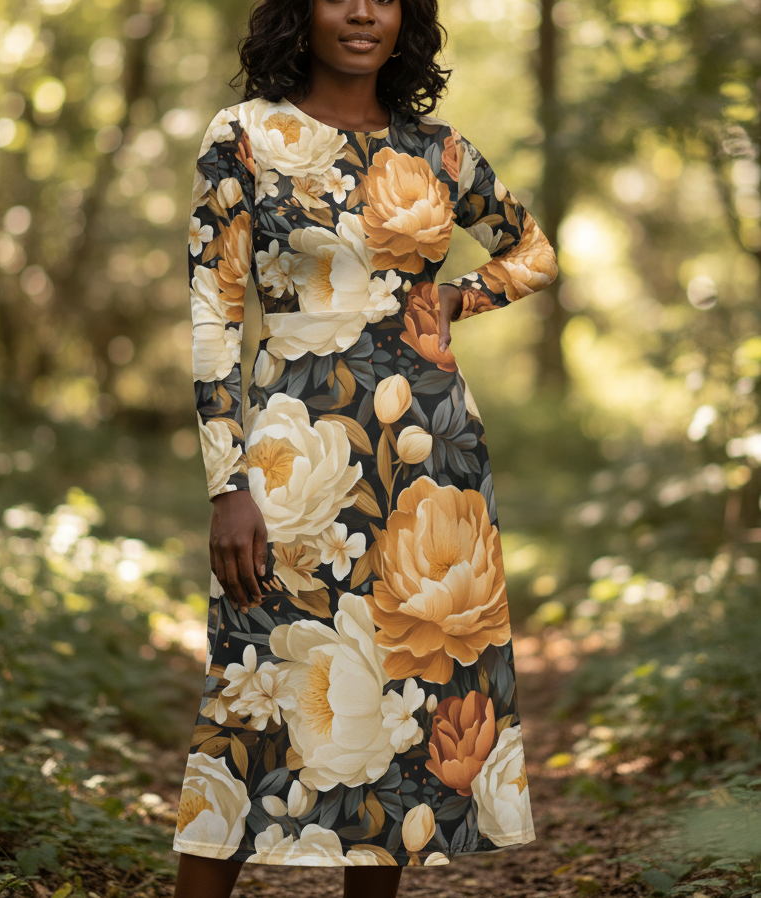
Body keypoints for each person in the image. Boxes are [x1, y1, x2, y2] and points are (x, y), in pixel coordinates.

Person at [173, 0, 558, 895]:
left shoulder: (442, 151)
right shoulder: (245, 135)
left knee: (401, 706)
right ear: (297, 13)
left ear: (404, 18)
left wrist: (456, 297)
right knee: (250, 705)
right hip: (295, 462)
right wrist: (227, 483)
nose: (360, 11)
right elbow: (214, 315)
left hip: (435, 463)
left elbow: (533, 255)